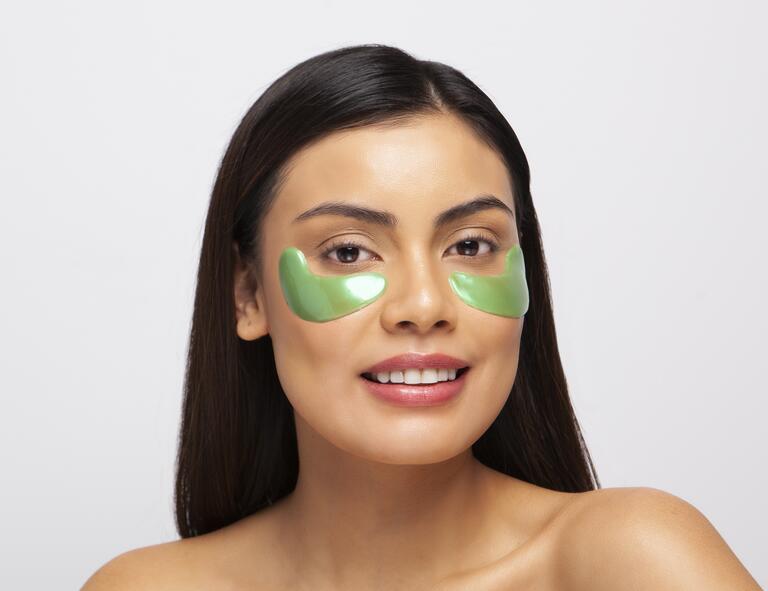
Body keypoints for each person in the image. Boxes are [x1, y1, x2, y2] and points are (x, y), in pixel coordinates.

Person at [82, 44, 761, 590]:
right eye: (348, 252)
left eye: (470, 246)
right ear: (248, 295)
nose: (424, 306)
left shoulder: (629, 560)